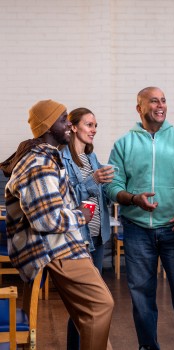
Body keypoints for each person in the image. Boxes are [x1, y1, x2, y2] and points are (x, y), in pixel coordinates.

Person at [0, 100, 114, 350]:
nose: (69, 126)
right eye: (63, 120)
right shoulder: (38, 163)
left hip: (66, 244)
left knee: (91, 315)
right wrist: (80, 216)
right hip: (57, 247)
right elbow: (47, 219)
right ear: (48, 126)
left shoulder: (47, 158)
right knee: (101, 305)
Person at [105, 87, 174, 350]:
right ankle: (148, 347)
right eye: (153, 101)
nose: (160, 105)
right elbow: (113, 186)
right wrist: (132, 198)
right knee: (141, 297)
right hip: (137, 229)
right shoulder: (123, 144)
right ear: (139, 108)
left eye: (163, 100)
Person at [60, 107, 115, 350]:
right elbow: (68, 197)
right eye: (89, 125)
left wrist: (111, 188)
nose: (94, 130)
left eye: (95, 126)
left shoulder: (91, 158)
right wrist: (94, 181)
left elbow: (99, 194)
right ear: (73, 126)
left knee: (92, 305)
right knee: (83, 303)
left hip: (97, 235)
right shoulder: (61, 157)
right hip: (78, 239)